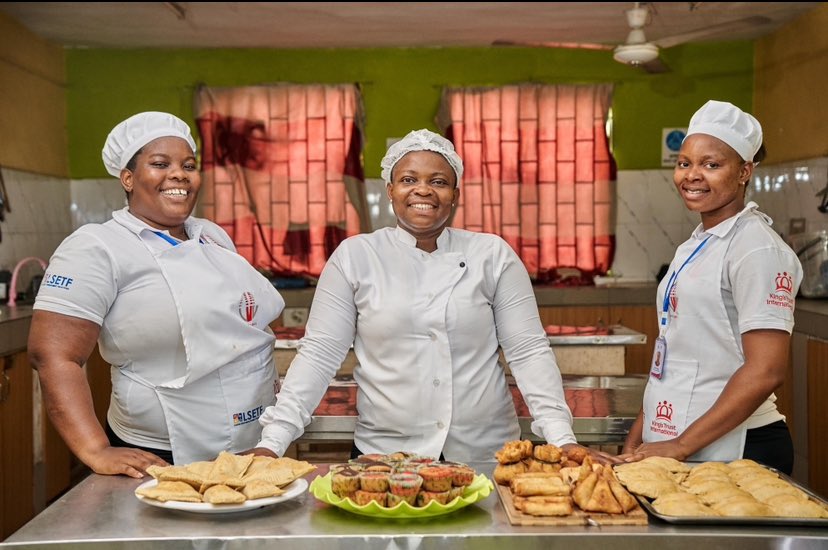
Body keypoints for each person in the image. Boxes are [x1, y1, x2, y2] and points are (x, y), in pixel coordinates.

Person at [251, 129, 617, 464]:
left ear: (455, 195)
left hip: (486, 454)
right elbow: (320, 354)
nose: (423, 190)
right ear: (390, 189)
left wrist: (561, 437)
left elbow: (528, 351)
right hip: (385, 456)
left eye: (438, 181)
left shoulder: (492, 255)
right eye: (408, 179)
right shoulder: (355, 256)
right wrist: (274, 440)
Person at [28, 111, 285, 477]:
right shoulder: (97, 246)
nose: (179, 174)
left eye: (189, 165)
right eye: (160, 163)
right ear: (128, 178)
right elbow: (53, 355)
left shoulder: (209, 235)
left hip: (250, 444)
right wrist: (96, 449)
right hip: (159, 453)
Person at [620, 101, 802, 473]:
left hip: (738, 449)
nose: (692, 175)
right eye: (685, 162)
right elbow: (676, 348)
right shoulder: (699, 242)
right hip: (678, 440)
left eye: (711, 164)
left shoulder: (756, 248)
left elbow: (766, 370)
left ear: (744, 171)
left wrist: (681, 445)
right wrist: (643, 430)